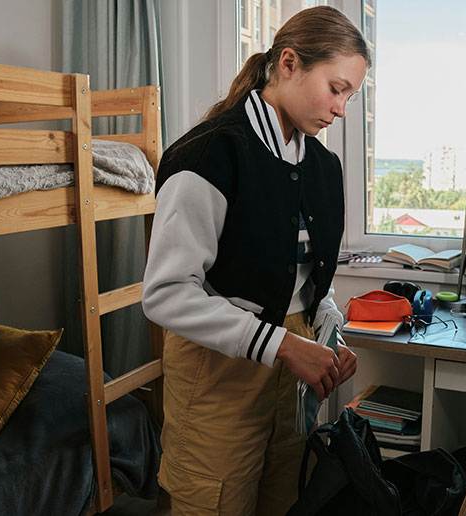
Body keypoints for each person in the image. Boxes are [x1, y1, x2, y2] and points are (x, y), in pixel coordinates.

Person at [142, 6, 370, 515]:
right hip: (219, 369)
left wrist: (328, 330)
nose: (342, 108)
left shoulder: (323, 167)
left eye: (350, 95)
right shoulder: (208, 155)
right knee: (215, 500)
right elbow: (166, 293)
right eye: (335, 89)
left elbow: (309, 278)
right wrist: (281, 344)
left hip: (292, 363)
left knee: (283, 496)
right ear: (288, 63)